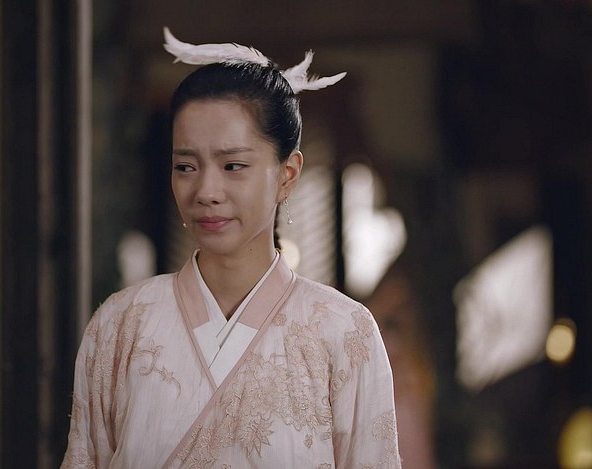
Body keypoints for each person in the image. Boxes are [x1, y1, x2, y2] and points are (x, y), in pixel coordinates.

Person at [61, 28, 402, 468]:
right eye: (186, 166)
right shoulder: (121, 326)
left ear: (287, 174)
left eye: (233, 166)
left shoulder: (344, 333)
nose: (206, 191)